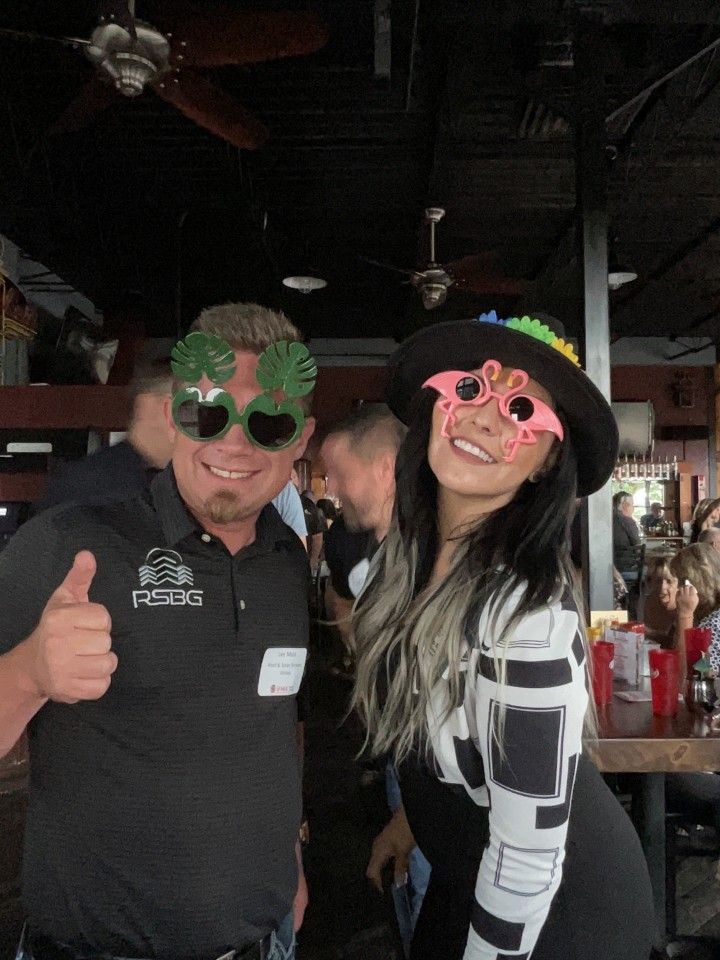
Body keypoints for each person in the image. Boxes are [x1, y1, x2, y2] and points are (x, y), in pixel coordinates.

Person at [0, 302, 316, 960]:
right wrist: (29, 672)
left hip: (266, 943)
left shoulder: (286, 563)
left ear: (300, 440)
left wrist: (288, 856)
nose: (235, 442)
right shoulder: (66, 543)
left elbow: (270, 720)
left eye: (269, 420)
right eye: (209, 413)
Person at [350, 311, 654, 960]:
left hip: (557, 919)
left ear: (547, 464)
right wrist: (413, 822)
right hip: (470, 878)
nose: (487, 418)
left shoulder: (527, 622)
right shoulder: (406, 567)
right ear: (438, 405)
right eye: (470, 389)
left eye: (522, 411)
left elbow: (525, 860)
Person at [320, 406, 430, 956]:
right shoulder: (376, 552)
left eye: (342, 474)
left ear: (386, 470)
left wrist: (410, 818)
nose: (331, 487)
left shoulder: (432, 559)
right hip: (402, 765)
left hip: (431, 778)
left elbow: (443, 705)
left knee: (432, 910)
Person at [33, 360, 174, 512]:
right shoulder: (95, 487)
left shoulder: (159, 480)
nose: (195, 419)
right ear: (150, 405)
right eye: (186, 406)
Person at [612, 490, 641, 584]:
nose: (633, 509)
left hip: (606, 567)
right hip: (625, 570)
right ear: (625, 506)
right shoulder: (628, 521)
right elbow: (637, 547)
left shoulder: (604, 519)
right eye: (632, 505)